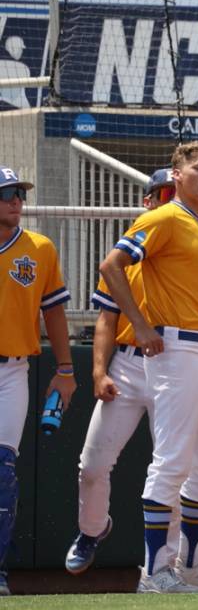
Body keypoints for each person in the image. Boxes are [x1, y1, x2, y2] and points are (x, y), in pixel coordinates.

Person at [98, 142, 198, 594]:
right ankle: (153, 572)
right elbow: (111, 265)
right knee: (173, 458)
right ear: (176, 175)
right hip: (174, 347)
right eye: (197, 168)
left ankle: (191, 565)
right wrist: (138, 323)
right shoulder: (161, 218)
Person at [66, 170, 175, 575]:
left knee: (172, 465)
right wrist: (99, 371)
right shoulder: (128, 252)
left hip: (173, 360)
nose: (168, 199)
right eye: (163, 193)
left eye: (174, 194)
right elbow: (105, 320)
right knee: (92, 465)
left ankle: (172, 561)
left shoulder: (191, 245)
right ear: (147, 201)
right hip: (128, 364)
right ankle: (92, 530)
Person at [0, 166, 74, 596]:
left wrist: (65, 370)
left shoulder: (40, 248)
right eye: (7, 193)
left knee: (4, 472)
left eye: (19, 194)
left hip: (12, 371)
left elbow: (54, 313)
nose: (16, 201)